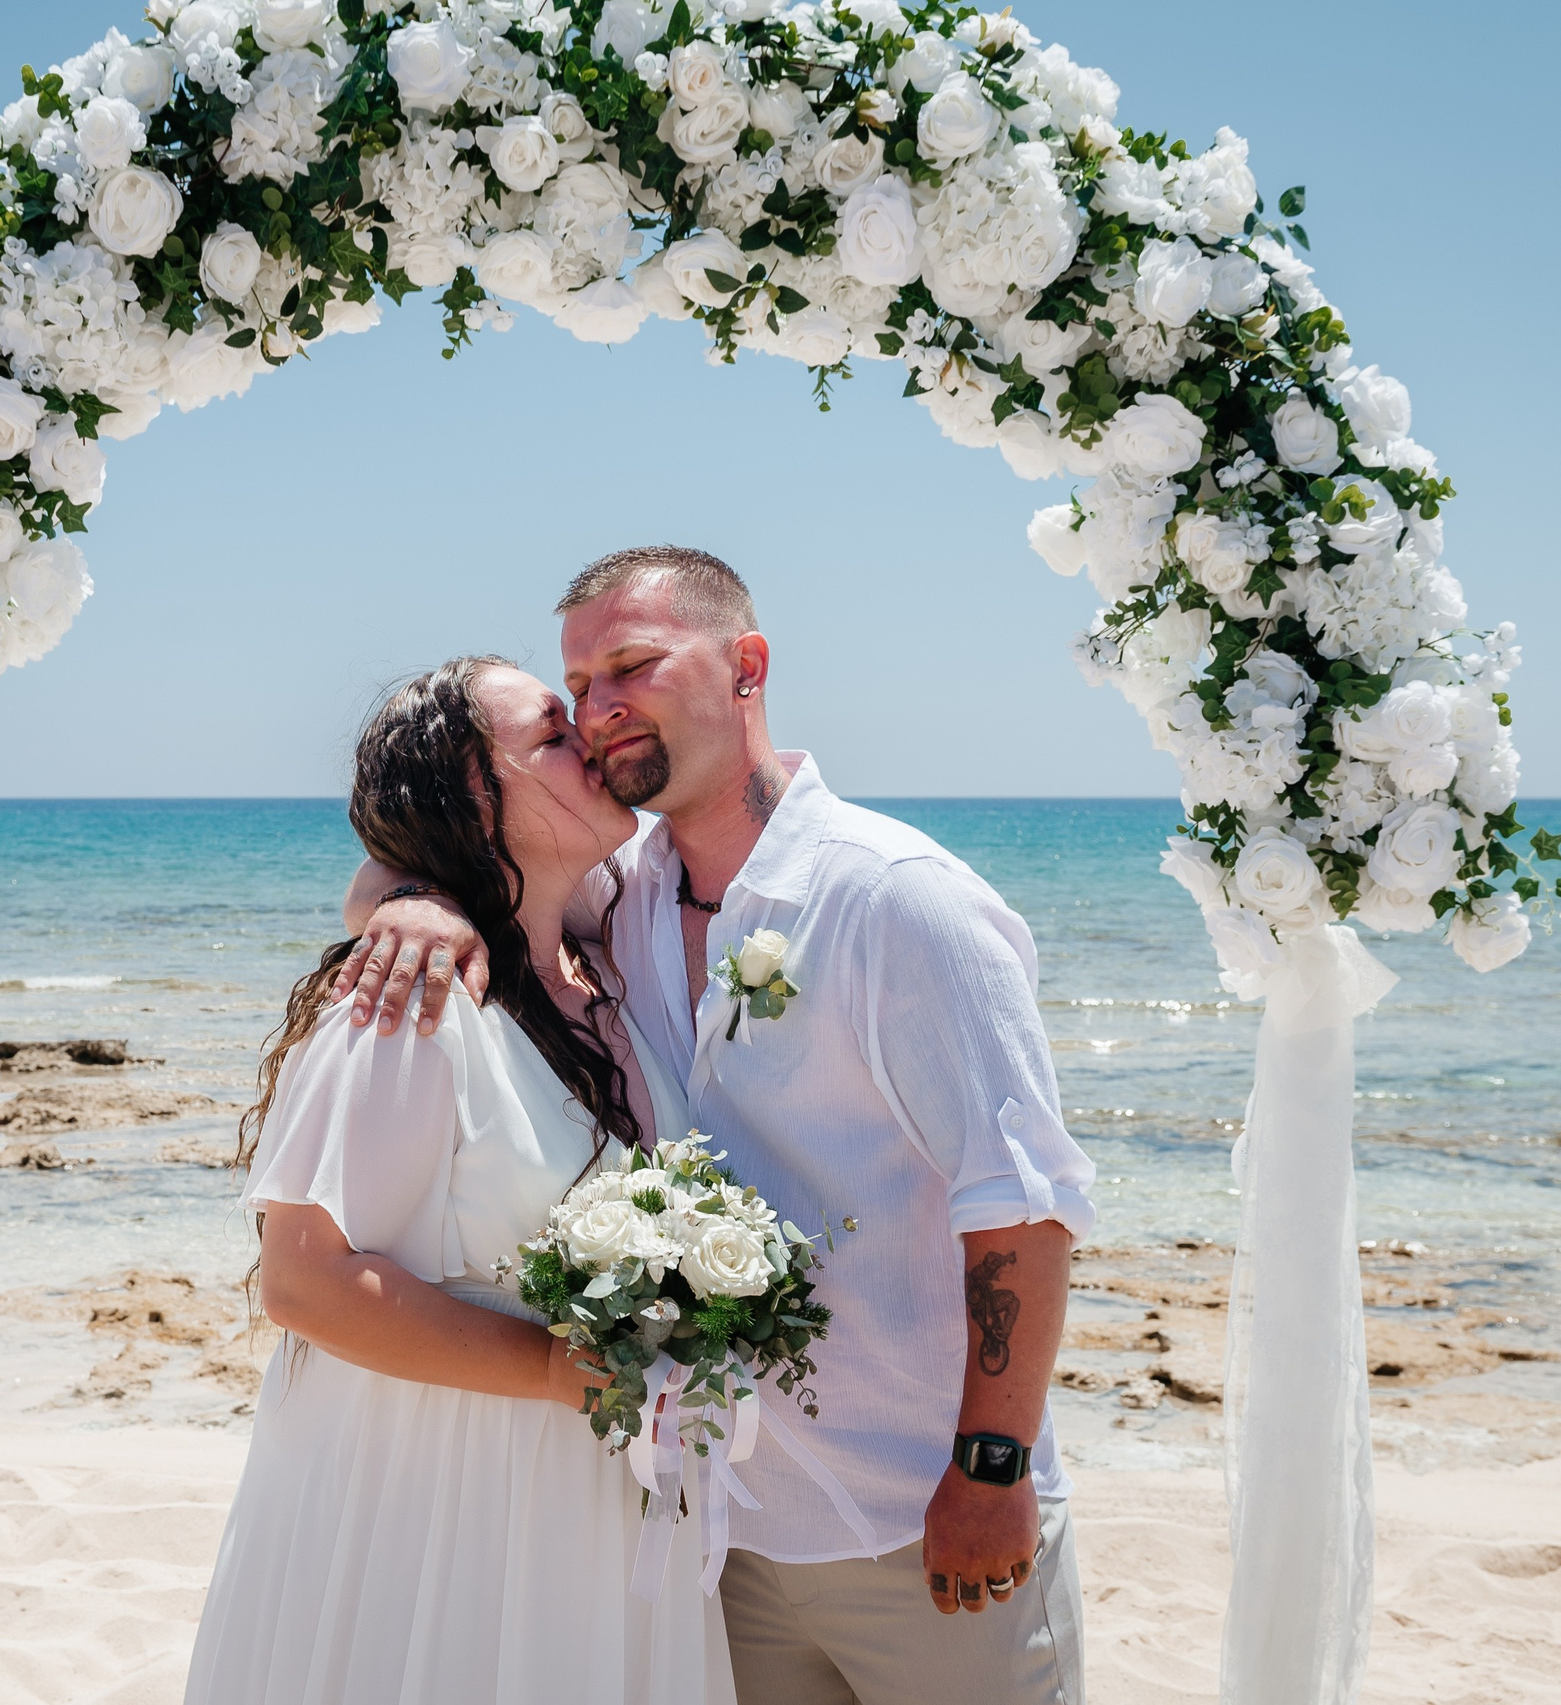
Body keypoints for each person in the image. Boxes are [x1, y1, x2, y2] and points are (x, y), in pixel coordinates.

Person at [340, 548, 1096, 1705]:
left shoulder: (897, 899)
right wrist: (413, 900)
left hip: (919, 1516)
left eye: (633, 666)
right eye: (579, 684)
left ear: (745, 665)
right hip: (718, 1530)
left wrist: (989, 1468)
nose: (598, 711)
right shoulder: (619, 895)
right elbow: (473, 860)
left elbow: (1023, 1203)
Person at [182, 656, 734, 1705]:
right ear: (476, 796)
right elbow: (305, 1285)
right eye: (553, 735)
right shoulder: (409, 1004)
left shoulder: (604, 962)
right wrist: (553, 1372)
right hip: (438, 1505)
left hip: (592, 1500)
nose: (594, 746)